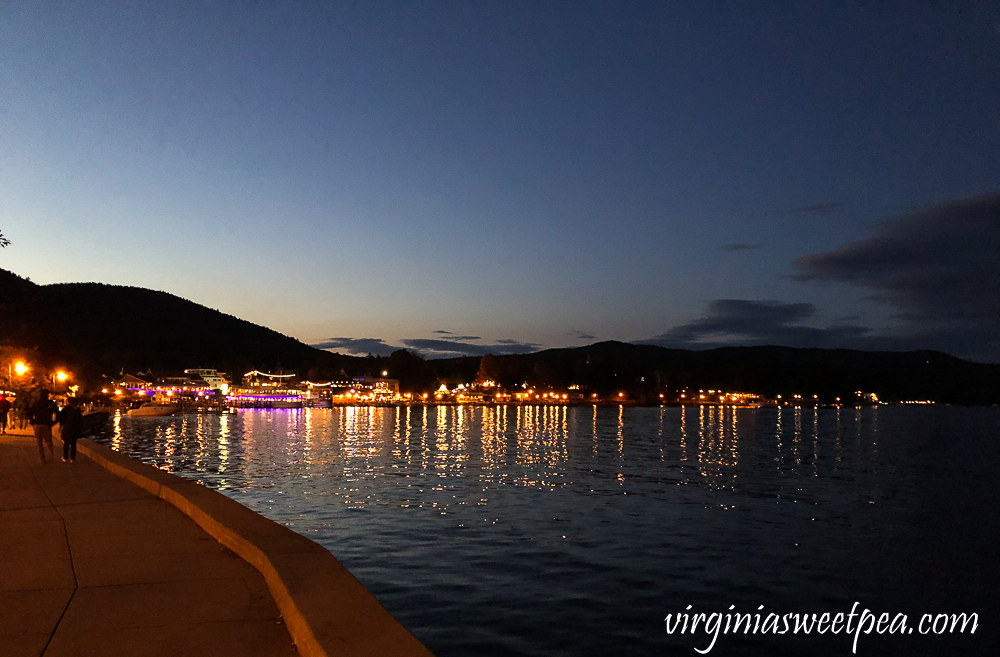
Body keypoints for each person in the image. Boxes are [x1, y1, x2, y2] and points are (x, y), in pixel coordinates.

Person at [28, 389, 59, 463]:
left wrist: (32, 421)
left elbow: (30, 413)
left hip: (37, 423)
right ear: (47, 395)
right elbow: (58, 413)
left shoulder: (36, 403)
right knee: (48, 441)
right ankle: (50, 456)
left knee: (39, 442)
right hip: (47, 424)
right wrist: (54, 422)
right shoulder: (51, 404)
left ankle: (42, 457)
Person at [58, 397, 84, 463]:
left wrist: (60, 427)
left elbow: (61, 419)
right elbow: (80, 420)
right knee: (73, 443)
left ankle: (65, 457)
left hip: (67, 427)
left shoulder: (65, 409)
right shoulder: (77, 409)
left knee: (66, 443)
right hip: (75, 428)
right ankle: (73, 458)